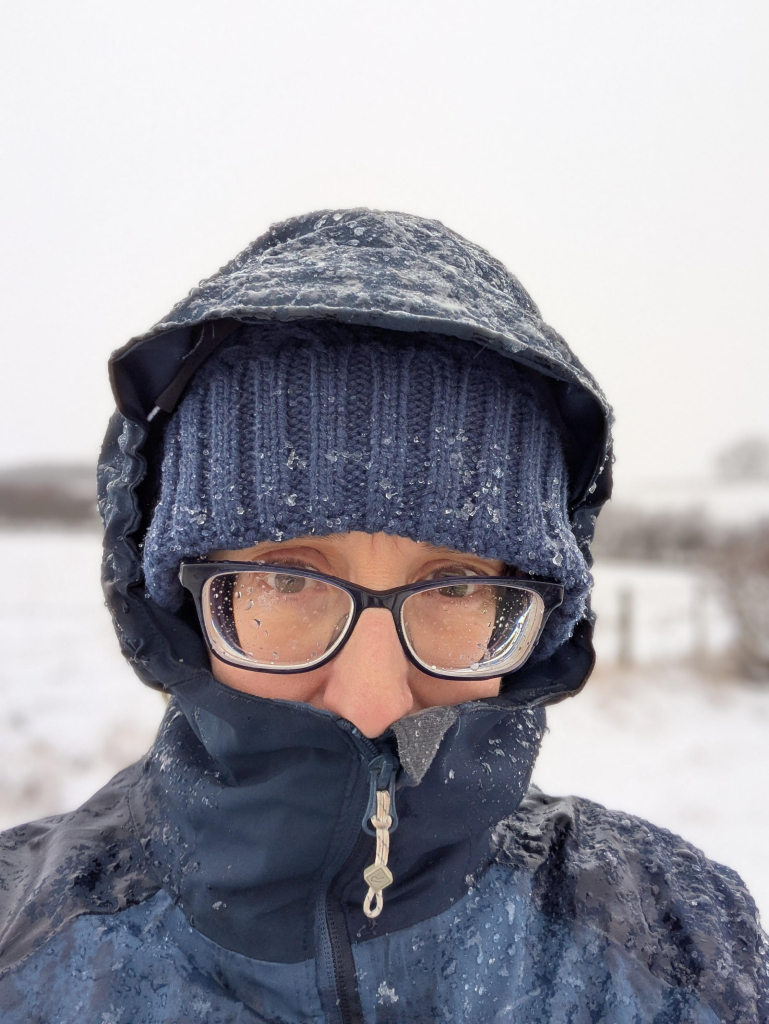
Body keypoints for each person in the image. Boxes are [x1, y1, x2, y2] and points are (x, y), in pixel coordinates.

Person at [0, 209, 765, 1023]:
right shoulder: (24, 937)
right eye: (287, 581)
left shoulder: (680, 935)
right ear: (182, 608)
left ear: (538, 620)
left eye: (457, 587)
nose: (373, 701)